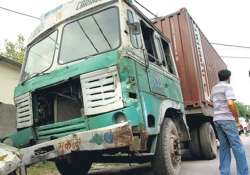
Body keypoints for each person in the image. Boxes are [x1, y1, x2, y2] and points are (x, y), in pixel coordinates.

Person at [211, 69, 248, 175]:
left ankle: (224, 172)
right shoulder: (227, 87)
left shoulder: (214, 88)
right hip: (227, 120)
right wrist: (236, 119)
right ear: (228, 77)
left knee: (224, 147)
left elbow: (213, 102)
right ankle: (243, 173)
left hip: (217, 120)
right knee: (237, 147)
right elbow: (231, 103)